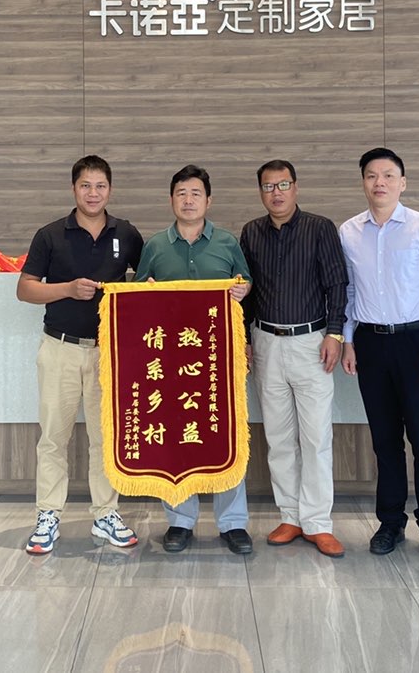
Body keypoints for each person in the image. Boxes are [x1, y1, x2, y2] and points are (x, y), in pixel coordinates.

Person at [17, 155, 145, 554]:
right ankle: (48, 515)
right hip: (60, 349)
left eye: (100, 186)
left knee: (105, 440)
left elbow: (146, 283)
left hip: (109, 354)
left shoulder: (127, 233)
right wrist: (68, 289)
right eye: (86, 185)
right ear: (74, 189)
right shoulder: (50, 235)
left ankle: (105, 513)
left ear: (111, 190)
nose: (93, 193)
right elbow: (25, 289)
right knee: (53, 438)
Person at [339, 147, 419, 565]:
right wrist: (349, 340)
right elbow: (348, 290)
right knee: (385, 441)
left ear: (402, 183)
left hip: (416, 342)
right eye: (372, 175)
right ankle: (390, 523)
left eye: (388, 175)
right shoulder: (348, 231)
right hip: (370, 343)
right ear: (363, 182)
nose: (380, 182)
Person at [134, 164, 254, 555]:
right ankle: (180, 521)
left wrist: (242, 289)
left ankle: (233, 523)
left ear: (209, 200)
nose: (188, 200)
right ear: (171, 200)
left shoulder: (227, 242)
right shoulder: (155, 245)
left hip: (219, 358)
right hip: (170, 359)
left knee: (225, 435)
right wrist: (146, 290)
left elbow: (247, 282)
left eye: (196, 193)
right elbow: (135, 296)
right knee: (176, 435)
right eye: (181, 193)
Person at [240, 159, 349, 558]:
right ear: (261, 192)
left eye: (283, 185)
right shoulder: (251, 232)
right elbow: (245, 291)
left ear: (296, 187)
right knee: (280, 437)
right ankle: (290, 516)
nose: (277, 193)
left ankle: (318, 522)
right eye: (269, 186)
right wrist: (244, 339)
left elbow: (338, 284)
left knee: (316, 437)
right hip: (265, 342)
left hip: (311, 342)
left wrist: (335, 333)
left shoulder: (320, 229)